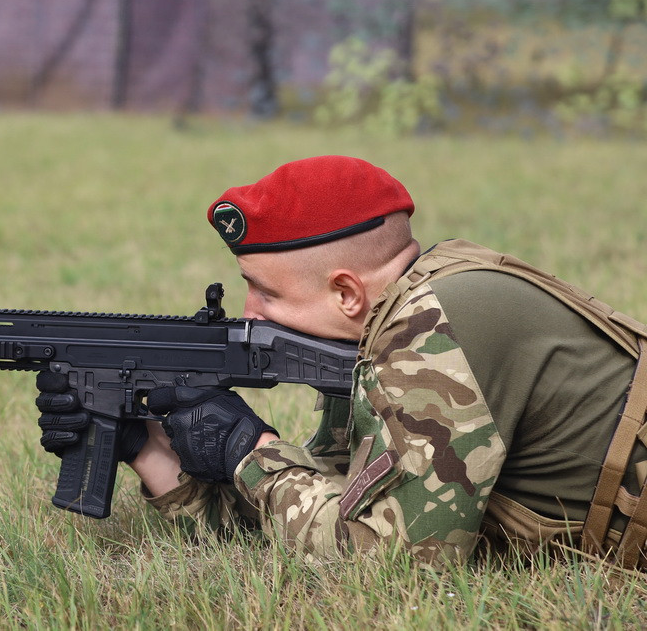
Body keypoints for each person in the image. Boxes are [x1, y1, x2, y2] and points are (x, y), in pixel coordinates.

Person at [37, 155, 647, 570]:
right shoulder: (387, 327)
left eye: (265, 292)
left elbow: (394, 565)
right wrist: (149, 449)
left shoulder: (432, 329)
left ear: (347, 293)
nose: (249, 313)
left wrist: (249, 450)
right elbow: (310, 518)